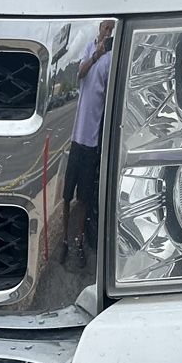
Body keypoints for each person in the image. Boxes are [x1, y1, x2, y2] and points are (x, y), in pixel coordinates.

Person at [61, 21, 115, 270]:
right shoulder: (89, 50)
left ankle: (79, 242)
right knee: (66, 197)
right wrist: (96, 55)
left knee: (83, 199)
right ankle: (64, 241)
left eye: (111, 29)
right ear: (99, 28)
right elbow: (80, 73)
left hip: (92, 141)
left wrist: (104, 56)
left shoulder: (112, 59)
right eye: (105, 27)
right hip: (76, 138)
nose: (107, 31)